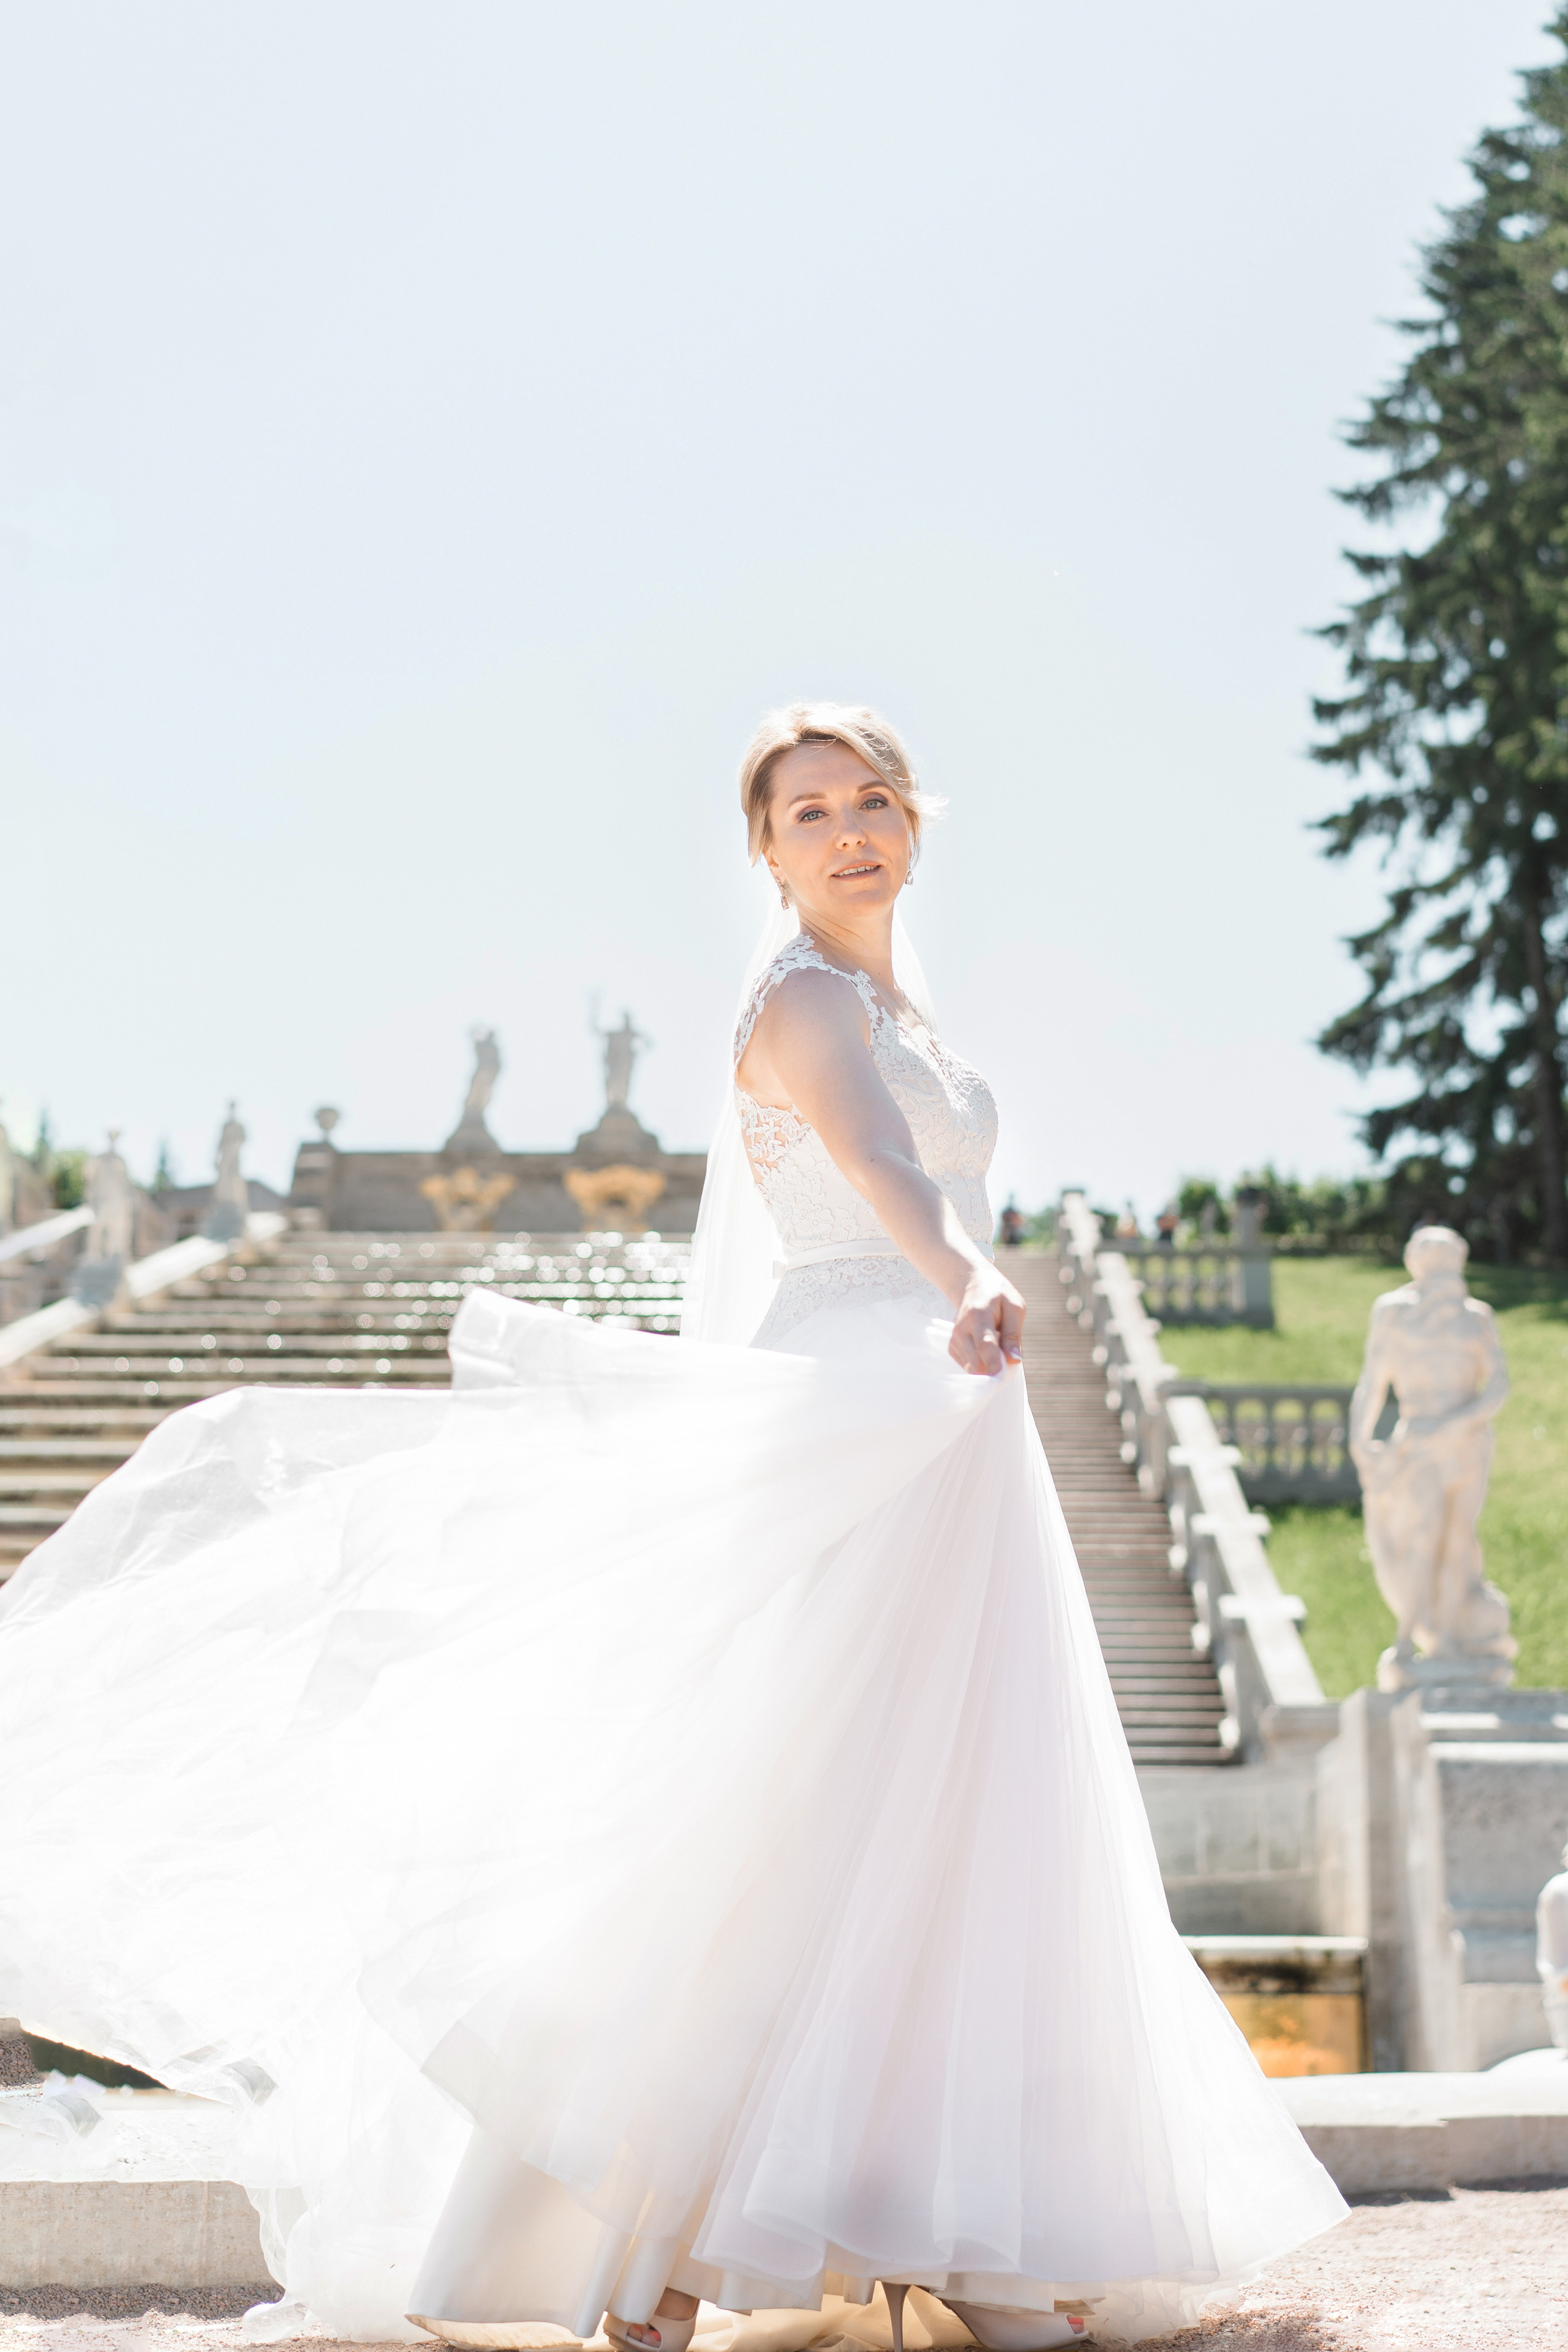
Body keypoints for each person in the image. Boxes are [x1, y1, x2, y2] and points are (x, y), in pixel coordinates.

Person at [0, 704, 1346, 2350]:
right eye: (807, 812)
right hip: (868, 1387)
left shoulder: (897, 1000)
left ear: (913, 824)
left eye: (871, 801)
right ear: (764, 852)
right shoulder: (800, 1000)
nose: (848, 831)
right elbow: (872, 1162)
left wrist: (964, 1308)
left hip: (951, 1413)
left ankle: (983, 2241)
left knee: (960, 1811)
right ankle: (665, 2254)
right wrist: (972, 1278)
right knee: (794, 1816)